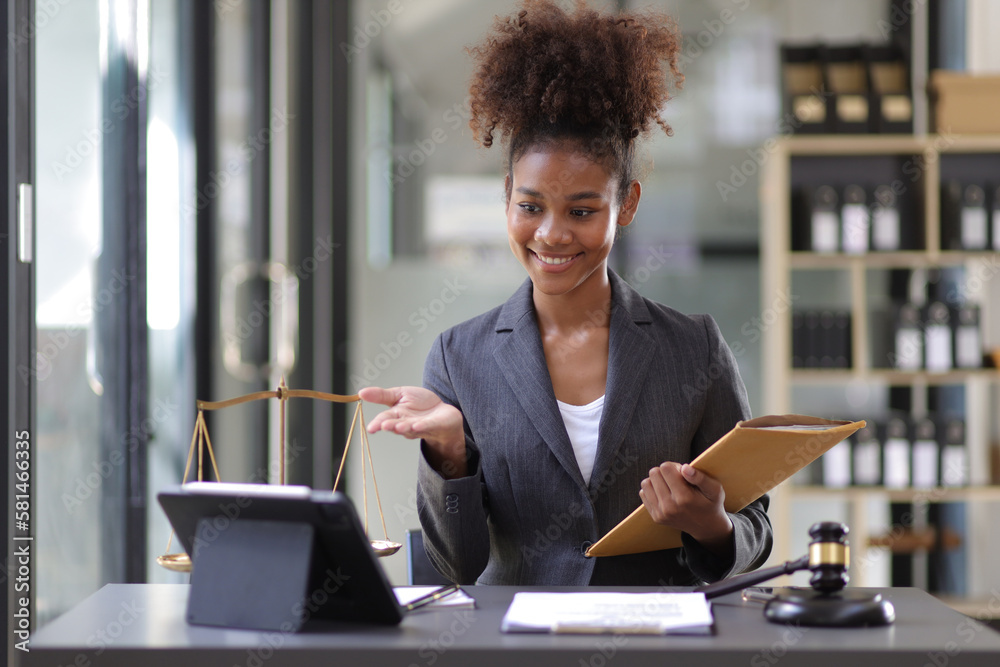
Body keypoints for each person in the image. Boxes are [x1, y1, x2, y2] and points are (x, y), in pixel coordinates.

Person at [360, 0, 771, 586]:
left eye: (581, 210)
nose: (551, 234)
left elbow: (753, 524)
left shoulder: (693, 348)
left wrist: (712, 525)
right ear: (506, 197)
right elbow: (457, 565)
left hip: (652, 641)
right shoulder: (460, 357)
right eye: (530, 206)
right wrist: (450, 453)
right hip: (514, 645)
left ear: (625, 204)